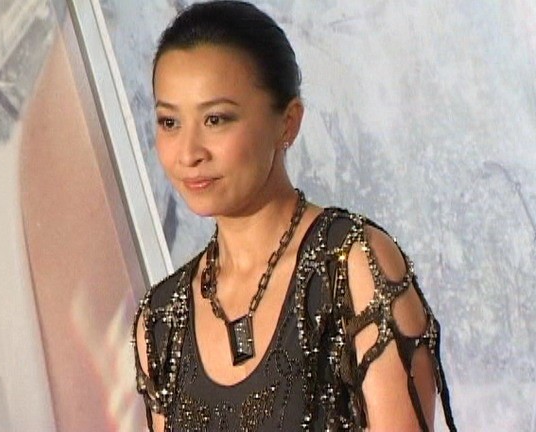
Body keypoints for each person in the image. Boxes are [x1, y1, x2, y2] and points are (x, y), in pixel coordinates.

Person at [132, 1, 456, 431]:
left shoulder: (351, 269)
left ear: (287, 123)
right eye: (169, 122)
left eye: (215, 119)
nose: (189, 153)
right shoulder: (161, 320)